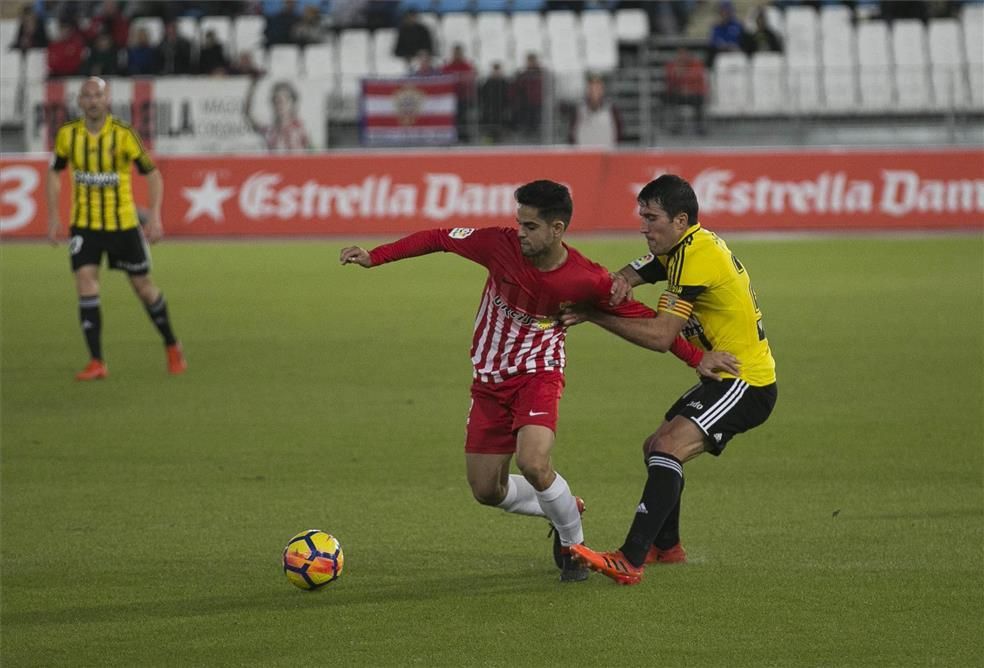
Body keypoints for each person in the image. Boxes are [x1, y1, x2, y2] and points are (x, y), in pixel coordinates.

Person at [340, 180, 738, 582]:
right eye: (519, 223)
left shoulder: (586, 279)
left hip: (539, 372)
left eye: (530, 227)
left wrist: (697, 358)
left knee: (533, 461)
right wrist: (376, 256)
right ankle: (566, 505)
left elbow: (646, 322)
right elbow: (439, 237)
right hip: (489, 380)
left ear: (557, 229)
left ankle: (572, 544)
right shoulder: (498, 245)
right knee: (485, 490)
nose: (521, 233)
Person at [561, 174, 777, 585]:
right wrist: (613, 285)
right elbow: (630, 274)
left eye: (651, 217)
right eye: (641, 215)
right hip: (725, 376)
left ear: (680, 219)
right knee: (654, 447)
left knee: (667, 447)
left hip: (745, 381)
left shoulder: (697, 256)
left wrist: (593, 313)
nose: (643, 226)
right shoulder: (683, 248)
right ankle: (668, 546)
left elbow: (662, 337)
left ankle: (630, 558)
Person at [46, 77, 187, 381]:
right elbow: (55, 172)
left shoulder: (124, 135)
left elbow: (152, 174)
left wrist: (155, 216)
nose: (93, 101)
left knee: (143, 288)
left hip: (123, 224)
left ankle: (172, 344)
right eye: (87, 96)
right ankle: (97, 361)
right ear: (80, 101)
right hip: (84, 225)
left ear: (107, 99)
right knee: (85, 281)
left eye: (98, 95)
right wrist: (54, 216)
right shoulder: (68, 135)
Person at [244, 78, 312, 151]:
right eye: (276, 99)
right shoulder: (270, 130)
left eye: (285, 99)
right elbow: (249, 116)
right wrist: (253, 87)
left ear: (293, 103)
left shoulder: (300, 129)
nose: (281, 103)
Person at [569, 73, 622, 148]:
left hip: (606, 156)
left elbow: (619, 134)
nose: (595, 91)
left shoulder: (612, 110)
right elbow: (571, 136)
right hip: (583, 156)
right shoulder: (578, 111)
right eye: (592, 87)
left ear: (602, 89)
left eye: (598, 87)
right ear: (587, 90)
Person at [664, 47, 708, 136]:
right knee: (670, 98)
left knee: (699, 100)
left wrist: (684, 75)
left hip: (694, 94)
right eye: (680, 54)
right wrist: (677, 75)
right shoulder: (672, 65)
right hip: (678, 94)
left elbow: (697, 78)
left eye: (684, 54)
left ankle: (699, 127)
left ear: (689, 55)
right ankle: (675, 126)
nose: (682, 57)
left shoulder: (696, 64)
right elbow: (669, 80)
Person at [442, 44, 476, 143]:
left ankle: (463, 136)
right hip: (450, 97)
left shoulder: (466, 66)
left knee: (463, 116)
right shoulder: (448, 66)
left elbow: (470, 77)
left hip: (463, 97)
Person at [478, 62, 510, 144]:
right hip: (489, 107)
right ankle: (489, 139)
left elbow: (508, 94)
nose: (496, 72)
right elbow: (482, 93)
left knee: (500, 122)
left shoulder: (504, 82)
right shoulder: (488, 82)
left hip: (501, 107)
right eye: (494, 70)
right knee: (489, 122)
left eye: (497, 70)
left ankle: (499, 139)